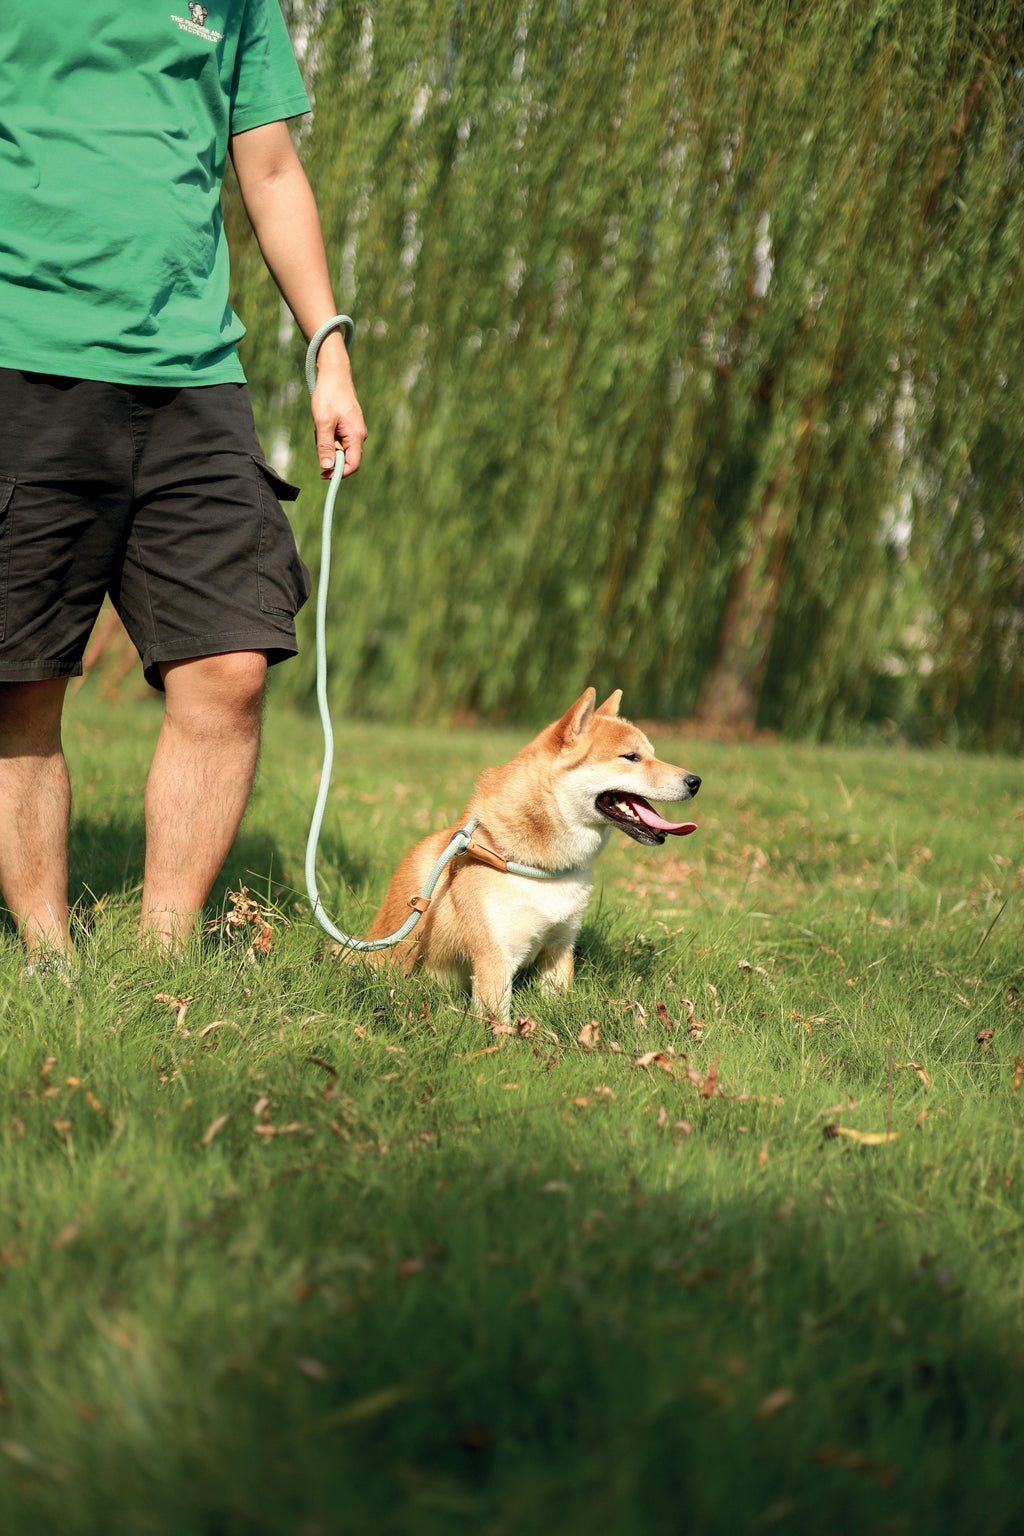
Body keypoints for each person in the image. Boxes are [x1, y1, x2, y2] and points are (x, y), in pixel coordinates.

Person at [0, 1, 367, 964]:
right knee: (18, 681)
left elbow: (273, 165)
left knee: (231, 664)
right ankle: (46, 952)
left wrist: (328, 348)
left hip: (195, 374)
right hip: (22, 359)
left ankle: (164, 956)